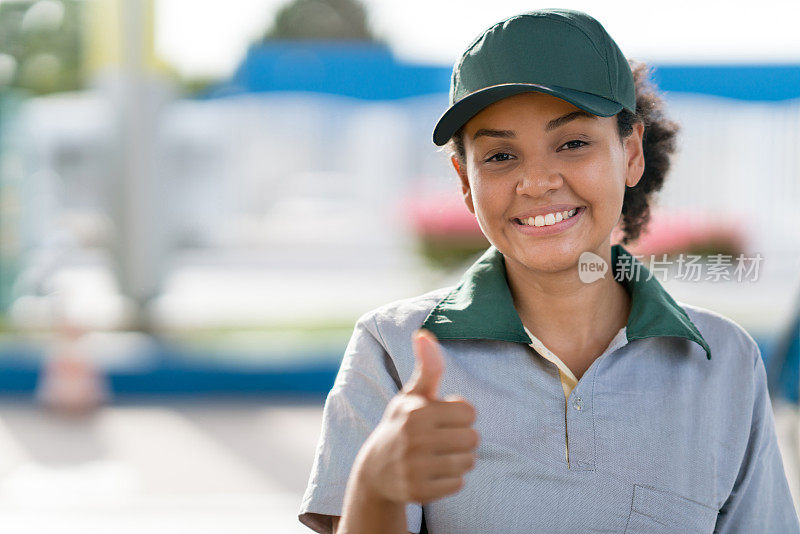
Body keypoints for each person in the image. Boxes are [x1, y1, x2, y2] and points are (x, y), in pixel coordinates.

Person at [298, 8, 800, 534]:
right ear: (465, 182)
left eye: (573, 143)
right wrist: (376, 485)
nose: (536, 182)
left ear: (630, 153)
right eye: (499, 156)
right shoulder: (393, 348)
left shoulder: (723, 362)